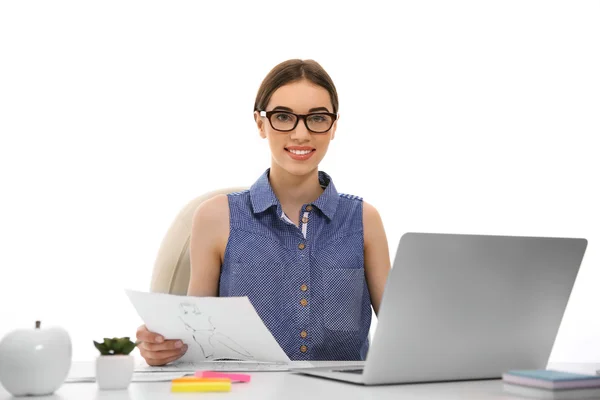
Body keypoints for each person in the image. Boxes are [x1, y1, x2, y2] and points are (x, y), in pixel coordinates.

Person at [136, 59, 392, 366]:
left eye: (317, 118)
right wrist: (163, 347)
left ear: (334, 126)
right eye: (283, 117)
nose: (300, 134)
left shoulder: (364, 220)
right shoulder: (215, 218)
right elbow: (194, 341)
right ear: (261, 124)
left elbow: (402, 334)